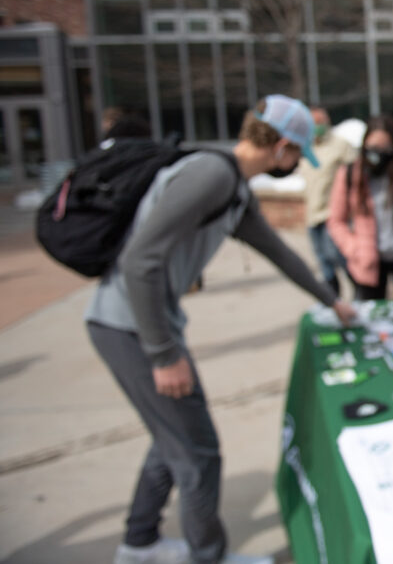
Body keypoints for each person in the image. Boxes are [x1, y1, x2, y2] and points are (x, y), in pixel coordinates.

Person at [85, 94, 356, 564]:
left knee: (170, 438)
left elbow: (277, 251)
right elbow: (139, 261)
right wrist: (163, 353)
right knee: (198, 451)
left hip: (141, 324)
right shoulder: (210, 175)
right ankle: (208, 556)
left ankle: (139, 542)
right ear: (281, 146)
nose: (296, 164)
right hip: (130, 326)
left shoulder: (232, 187)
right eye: (297, 154)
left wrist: (331, 300)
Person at [327, 114, 393, 300]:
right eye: (372, 147)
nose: (377, 153)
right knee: (372, 317)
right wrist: (354, 248)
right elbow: (336, 220)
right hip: (368, 261)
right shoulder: (351, 173)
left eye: (384, 147)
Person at [298, 107, 358, 295]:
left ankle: (360, 292)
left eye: (321, 121)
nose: (318, 126)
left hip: (332, 214)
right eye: (314, 122)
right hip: (313, 215)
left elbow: (356, 177)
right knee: (323, 263)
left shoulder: (340, 146)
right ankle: (332, 301)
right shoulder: (305, 148)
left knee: (338, 256)